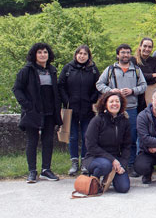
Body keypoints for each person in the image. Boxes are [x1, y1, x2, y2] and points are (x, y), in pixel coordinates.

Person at [13, 42, 62, 183]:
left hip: (49, 112)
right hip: (33, 112)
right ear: (34, 54)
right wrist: (27, 105)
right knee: (32, 141)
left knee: (48, 141)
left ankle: (46, 170)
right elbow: (17, 89)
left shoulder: (51, 70)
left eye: (45, 52)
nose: (43, 55)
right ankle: (32, 171)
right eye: (40, 52)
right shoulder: (27, 70)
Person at [96, 43, 147, 175]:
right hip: (114, 110)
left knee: (131, 137)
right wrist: (111, 91)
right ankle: (114, 163)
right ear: (118, 54)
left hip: (131, 108)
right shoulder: (110, 69)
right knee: (113, 138)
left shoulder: (136, 70)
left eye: (128, 53)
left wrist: (132, 90)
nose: (125, 55)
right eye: (123, 53)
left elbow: (143, 86)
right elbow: (99, 84)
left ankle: (130, 164)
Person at [58, 45, 100, 176]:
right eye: (80, 53)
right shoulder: (68, 68)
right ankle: (74, 162)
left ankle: (85, 163)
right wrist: (67, 101)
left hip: (88, 109)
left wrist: (92, 100)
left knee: (87, 136)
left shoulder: (93, 69)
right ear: (76, 54)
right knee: (73, 136)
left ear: (89, 56)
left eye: (85, 54)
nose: (82, 56)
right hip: (72, 109)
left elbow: (98, 86)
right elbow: (61, 86)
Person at [82, 91, 131, 193]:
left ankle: (110, 178)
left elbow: (127, 146)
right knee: (105, 165)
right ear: (105, 104)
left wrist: (122, 164)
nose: (114, 104)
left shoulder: (124, 121)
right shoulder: (97, 120)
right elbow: (91, 146)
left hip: (115, 159)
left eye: (117, 101)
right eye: (111, 101)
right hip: (95, 157)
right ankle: (94, 179)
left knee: (123, 188)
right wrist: (112, 160)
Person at [134, 38, 156, 112]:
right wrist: (152, 75)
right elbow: (135, 76)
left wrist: (148, 76)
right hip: (136, 95)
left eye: (149, 47)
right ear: (140, 47)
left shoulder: (155, 60)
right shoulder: (133, 60)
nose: (147, 49)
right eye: (145, 46)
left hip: (150, 93)